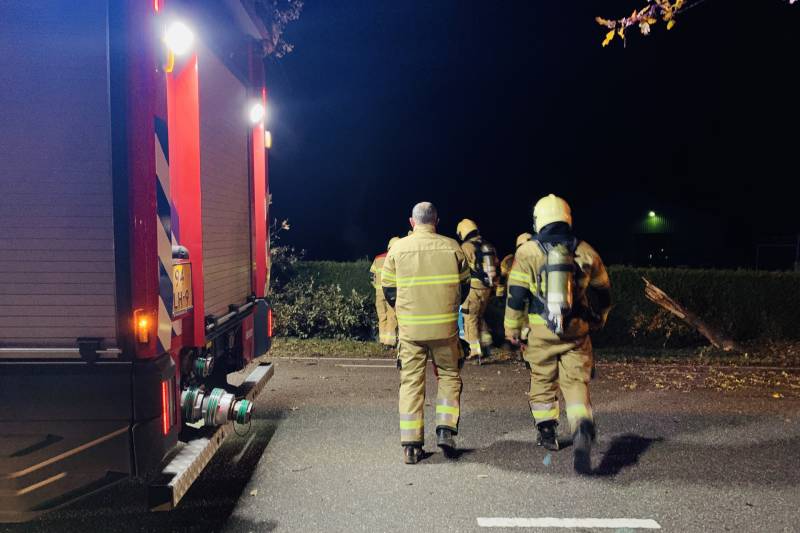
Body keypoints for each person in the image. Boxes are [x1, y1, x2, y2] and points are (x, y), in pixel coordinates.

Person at [503, 194, 612, 474]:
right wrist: (600, 318)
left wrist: (512, 329)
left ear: (539, 219)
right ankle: (581, 426)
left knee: (542, 379)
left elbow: (515, 296)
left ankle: (548, 433)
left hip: (540, 331)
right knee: (576, 383)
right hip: (576, 331)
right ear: (567, 217)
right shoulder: (585, 251)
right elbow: (603, 291)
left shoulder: (527, 252)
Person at [382, 202, 470, 464]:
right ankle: (445, 429)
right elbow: (465, 286)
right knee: (450, 375)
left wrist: (406, 312)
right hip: (445, 329)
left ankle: (411, 446)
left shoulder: (397, 248)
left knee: (411, 382)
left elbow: (388, 290)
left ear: (412, 222)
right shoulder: (453, 247)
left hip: (411, 332)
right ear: (437, 221)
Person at [455, 219, 497, 360]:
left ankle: (474, 350)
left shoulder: (466, 247)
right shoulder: (487, 245)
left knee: (470, 318)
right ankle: (486, 344)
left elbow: (461, 268)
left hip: (473, 287)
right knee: (480, 316)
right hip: (487, 287)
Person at [370, 237, 400, 346]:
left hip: (379, 293)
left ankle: (382, 340)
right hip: (392, 292)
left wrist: (377, 287)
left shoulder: (378, 258)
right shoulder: (396, 257)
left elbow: (371, 276)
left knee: (382, 316)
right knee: (392, 316)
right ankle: (390, 342)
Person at [497, 232, 533, 299]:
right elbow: (502, 277)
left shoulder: (538, 259)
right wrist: (500, 295)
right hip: (512, 295)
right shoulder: (509, 260)